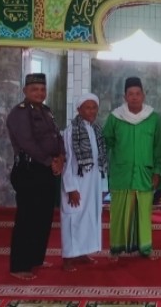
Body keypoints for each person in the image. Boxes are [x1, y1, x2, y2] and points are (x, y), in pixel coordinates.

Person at [6, 73, 65, 280]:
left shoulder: (46, 111)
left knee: (43, 218)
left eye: (42, 89)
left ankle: (35, 259)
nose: (39, 93)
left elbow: (57, 137)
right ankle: (19, 265)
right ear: (25, 91)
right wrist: (51, 162)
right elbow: (28, 143)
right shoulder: (19, 113)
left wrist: (60, 158)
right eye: (34, 89)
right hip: (29, 171)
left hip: (46, 170)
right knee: (27, 219)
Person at [103, 77, 161, 259]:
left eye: (138, 93)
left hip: (144, 173)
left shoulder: (152, 118)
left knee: (144, 212)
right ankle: (116, 248)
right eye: (131, 94)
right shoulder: (115, 117)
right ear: (125, 96)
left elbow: (157, 147)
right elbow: (107, 141)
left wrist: (157, 171)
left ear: (143, 95)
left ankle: (145, 248)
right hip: (121, 173)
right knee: (119, 212)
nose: (135, 97)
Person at [60, 93, 107, 272]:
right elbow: (67, 162)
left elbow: (100, 160)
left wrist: (102, 187)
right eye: (87, 107)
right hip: (77, 183)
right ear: (79, 110)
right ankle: (68, 257)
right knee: (73, 218)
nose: (92, 111)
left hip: (92, 183)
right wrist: (71, 188)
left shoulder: (96, 129)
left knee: (89, 218)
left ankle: (82, 252)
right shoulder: (71, 131)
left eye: (94, 107)